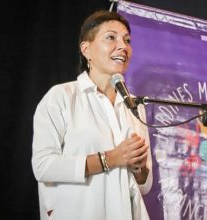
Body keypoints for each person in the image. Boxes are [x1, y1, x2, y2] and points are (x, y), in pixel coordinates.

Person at [31, 10, 152, 220]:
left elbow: (144, 185)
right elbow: (43, 166)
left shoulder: (134, 105)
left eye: (127, 40)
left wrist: (139, 168)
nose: (123, 46)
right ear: (86, 49)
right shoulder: (61, 96)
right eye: (111, 37)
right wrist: (111, 158)